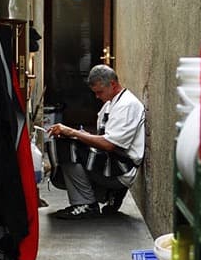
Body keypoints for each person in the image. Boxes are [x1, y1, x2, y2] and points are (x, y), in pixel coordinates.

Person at [47, 64, 146, 219]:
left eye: (99, 92)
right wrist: (80, 135)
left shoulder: (127, 105)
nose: (97, 97)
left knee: (67, 148)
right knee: (65, 141)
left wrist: (73, 133)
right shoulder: (110, 103)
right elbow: (104, 136)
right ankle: (106, 194)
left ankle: (86, 204)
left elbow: (109, 144)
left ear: (112, 84)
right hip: (112, 159)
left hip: (122, 167)